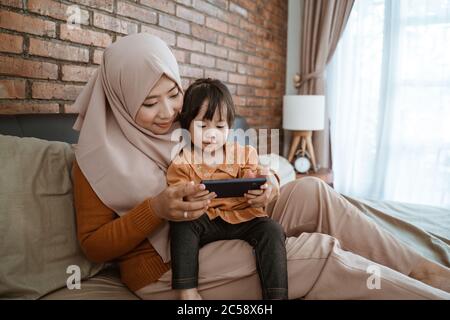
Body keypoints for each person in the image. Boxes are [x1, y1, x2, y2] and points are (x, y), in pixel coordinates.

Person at [71, 33, 450, 300]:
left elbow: (233, 162)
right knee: (318, 253)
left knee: (313, 190)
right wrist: (155, 209)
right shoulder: (96, 159)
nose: (168, 112)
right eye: (149, 103)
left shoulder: (184, 127)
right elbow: (93, 247)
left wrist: (266, 180)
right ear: (120, 100)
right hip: (167, 264)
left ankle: (419, 269)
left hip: (224, 219)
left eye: (173, 94)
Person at [167, 78, 288, 300]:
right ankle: (187, 291)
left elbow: (258, 178)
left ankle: (276, 297)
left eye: (220, 127)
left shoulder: (244, 154)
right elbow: (176, 195)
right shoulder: (182, 161)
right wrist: (189, 195)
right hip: (205, 220)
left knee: (272, 229)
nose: (211, 134)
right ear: (187, 126)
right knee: (182, 224)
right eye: (203, 126)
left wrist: (260, 185)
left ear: (230, 127)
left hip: (244, 216)